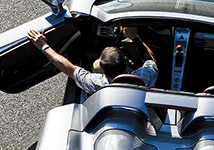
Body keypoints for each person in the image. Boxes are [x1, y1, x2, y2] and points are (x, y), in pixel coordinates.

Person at [26, 24, 158, 98]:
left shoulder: (97, 83)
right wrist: (134, 36)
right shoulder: (145, 77)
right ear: (125, 63)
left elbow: (67, 67)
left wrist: (44, 46)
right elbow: (151, 61)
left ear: (104, 74)